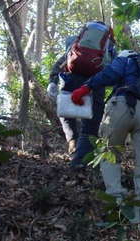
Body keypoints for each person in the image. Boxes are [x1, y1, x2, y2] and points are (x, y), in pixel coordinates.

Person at [71, 49, 140, 224]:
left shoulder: (127, 57)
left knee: (109, 155)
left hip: (123, 104)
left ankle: (118, 206)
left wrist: (86, 87)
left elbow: (109, 74)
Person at [47, 22, 116, 168]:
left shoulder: (75, 41)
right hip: (95, 83)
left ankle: (72, 139)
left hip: (70, 79)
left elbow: (62, 61)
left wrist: (53, 81)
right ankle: (80, 163)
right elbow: (113, 69)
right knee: (90, 126)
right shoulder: (108, 45)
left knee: (65, 112)